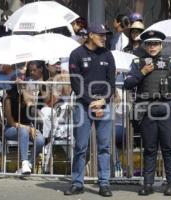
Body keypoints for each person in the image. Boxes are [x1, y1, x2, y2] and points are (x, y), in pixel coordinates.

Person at [124, 30, 171, 196]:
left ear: (161, 45)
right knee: (150, 149)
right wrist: (142, 72)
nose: (152, 47)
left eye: (155, 43)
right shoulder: (138, 63)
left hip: (167, 107)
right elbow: (128, 83)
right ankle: (148, 183)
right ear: (145, 45)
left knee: (168, 148)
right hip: (146, 109)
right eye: (149, 44)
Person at [64, 23, 115, 197]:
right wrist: (92, 102)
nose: (104, 38)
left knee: (104, 146)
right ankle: (77, 182)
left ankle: (104, 183)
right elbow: (76, 83)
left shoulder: (108, 54)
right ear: (91, 35)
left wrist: (103, 101)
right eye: (100, 35)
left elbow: (111, 83)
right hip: (83, 104)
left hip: (104, 103)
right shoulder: (76, 54)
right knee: (80, 146)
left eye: (105, 35)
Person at [4, 68, 45, 175]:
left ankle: (28, 165)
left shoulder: (27, 95)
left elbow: (29, 104)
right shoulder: (8, 100)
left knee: (40, 140)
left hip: (27, 127)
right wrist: (28, 128)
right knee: (23, 131)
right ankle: (24, 162)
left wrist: (24, 90)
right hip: (12, 129)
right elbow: (12, 122)